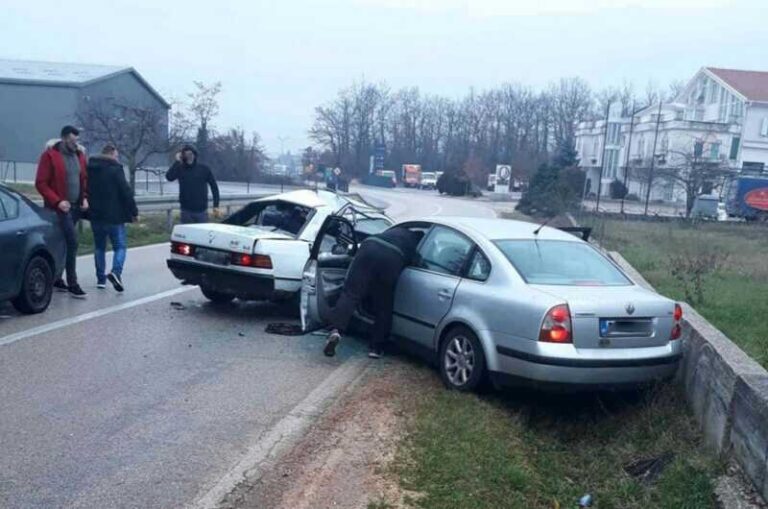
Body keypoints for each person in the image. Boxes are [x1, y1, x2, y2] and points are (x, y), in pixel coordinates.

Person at [323, 225, 421, 359]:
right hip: (393, 257)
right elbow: (418, 262)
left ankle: (335, 330)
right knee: (384, 304)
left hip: (370, 245)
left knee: (350, 294)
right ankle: (376, 347)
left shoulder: (397, 230)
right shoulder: (415, 243)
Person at [35, 125, 89, 298]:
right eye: (73, 140)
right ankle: (72, 282)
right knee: (72, 242)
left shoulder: (79, 156)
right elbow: (41, 183)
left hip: (75, 207)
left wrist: (85, 197)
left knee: (61, 243)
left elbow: (83, 179)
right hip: (58, 208)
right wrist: (57, 201)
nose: (76, 144)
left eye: (77, 141)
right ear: (64, 138)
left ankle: (56, 277)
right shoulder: (50, 156)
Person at [86, 144, 138, 292]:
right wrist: (133, 211)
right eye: (116, 156)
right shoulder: (115, 169)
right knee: (120, 246)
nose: (117, 158)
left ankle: (100, 279)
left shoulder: (91, 169)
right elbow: (125, 191)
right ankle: (116, 272)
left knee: (99, 247)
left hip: (96, 215)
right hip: (114, 216)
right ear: (110, 155)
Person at [165, 145, 220, 223]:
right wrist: (177, 161)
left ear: (195, 155)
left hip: (201, 210)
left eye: (191, 154)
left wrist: (216, 205)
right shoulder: (180, 169)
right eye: (186, 154)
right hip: (186, 210)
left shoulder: (204, 169)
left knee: (202, 234)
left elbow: (214, 187)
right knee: (187, 234)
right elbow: (169, 177)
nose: (189, 156)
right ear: (183, 156)